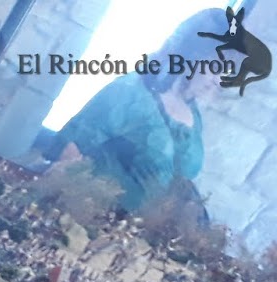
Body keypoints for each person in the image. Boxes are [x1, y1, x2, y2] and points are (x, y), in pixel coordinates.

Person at [41, 10, 224, 216]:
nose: (219, 80)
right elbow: (69, 152)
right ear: (192, 56)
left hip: (138, 230)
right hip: (87, 217)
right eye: (215, 68)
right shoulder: (130, 92)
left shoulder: (193, 116)